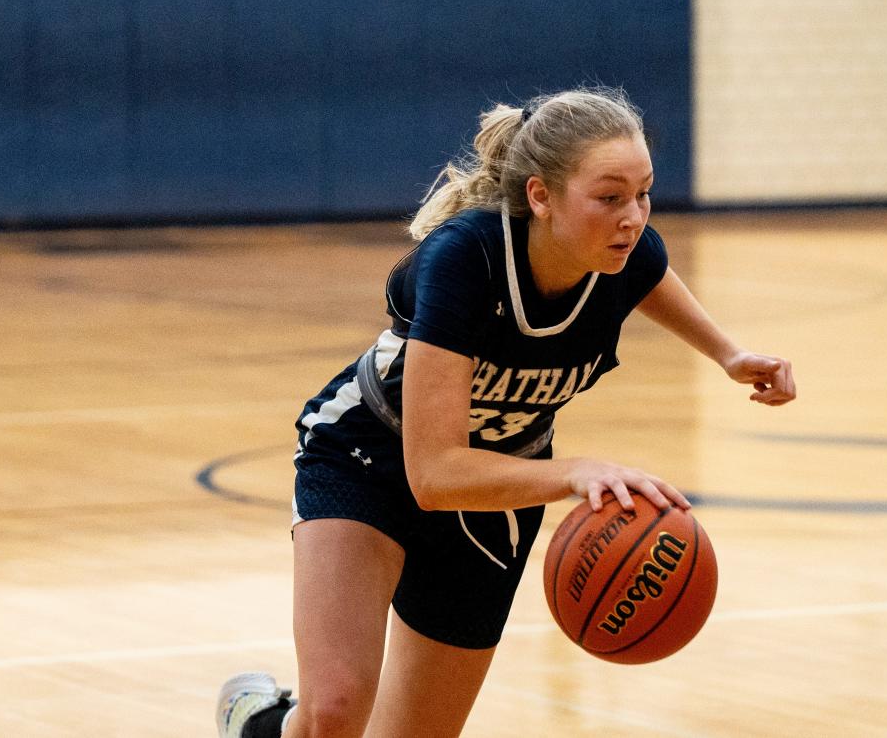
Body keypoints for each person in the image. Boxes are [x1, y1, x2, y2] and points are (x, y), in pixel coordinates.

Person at [215, 87, 796, 738]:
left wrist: (728, 354)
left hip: (499, 490)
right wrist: (577, 472)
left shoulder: (626, 255)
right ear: (540, 197)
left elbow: (651, 275)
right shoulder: (467, 259)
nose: (633, 217)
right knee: (335, 712)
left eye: (644, 193)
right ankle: (261, 724)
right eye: (609, 197)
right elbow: (433, 475)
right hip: (370, 453)